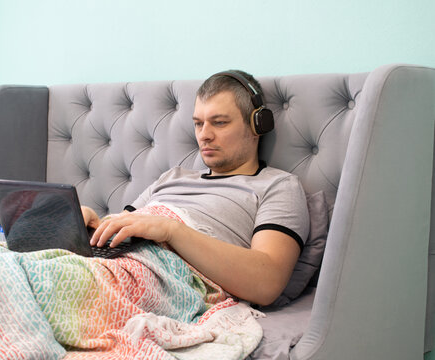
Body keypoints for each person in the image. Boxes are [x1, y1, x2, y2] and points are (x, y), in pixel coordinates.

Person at [82, 70, 309, 306]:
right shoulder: (171, 177)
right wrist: (86, 225)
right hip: (114, 261)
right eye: (198, 124)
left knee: (48, 283)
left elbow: (267, 282)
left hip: (164, 278)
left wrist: (172, 231)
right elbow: (122, 228)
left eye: (219, 123)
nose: (204, 135)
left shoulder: (278, 186)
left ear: (256, 125)